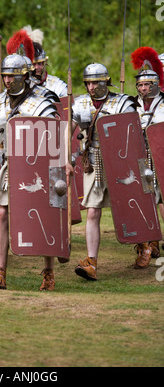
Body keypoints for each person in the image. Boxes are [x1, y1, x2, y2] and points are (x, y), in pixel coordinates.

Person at [0, 53, 58, 290]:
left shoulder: (41, 103)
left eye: (12, 76)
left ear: (24, 76)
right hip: (10, 165)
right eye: (4, 76)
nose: (7, 81)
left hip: (38, 167)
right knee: (2, 214)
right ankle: (0, 273)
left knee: (43, 215)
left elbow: (53, 135)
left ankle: (49, 273)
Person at [66, 62, 136, 280]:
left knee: (129, 207)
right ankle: (91, 262)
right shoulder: (81, 104)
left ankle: (144, 244)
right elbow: (68, 129)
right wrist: (65, 157)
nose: (91, 86)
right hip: (94, 162)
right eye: (88, 82)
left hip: (119, 163)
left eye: (95, 82)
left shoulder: (122, 103)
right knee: (93, 210)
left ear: (106, 81)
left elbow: (132, 134)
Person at [130, 46, 164, 268]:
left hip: (160, 156)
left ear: (156, 84)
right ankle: (147, 245)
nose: (143, 88)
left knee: (161, 199)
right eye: (140, 84)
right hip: (140, 157)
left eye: (147, 84)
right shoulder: (131, 104)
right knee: (143, 200)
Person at [23, 25, 68, 98]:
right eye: (33, 64)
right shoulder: (20, 87)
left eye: (40, 63)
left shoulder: (58, 86)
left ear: (45, 63)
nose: (37, 67)